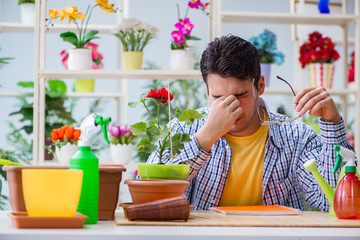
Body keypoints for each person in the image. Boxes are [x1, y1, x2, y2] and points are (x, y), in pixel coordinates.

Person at [146, 35, 353, 211]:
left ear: (260, 85)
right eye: (218, 97)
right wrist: (205, 138)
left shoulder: (297, 138)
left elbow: (332, 201)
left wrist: (332, 123)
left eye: (241, 95)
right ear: (206, 91)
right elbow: (150, 198)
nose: (230, 107)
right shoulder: (185, 128)